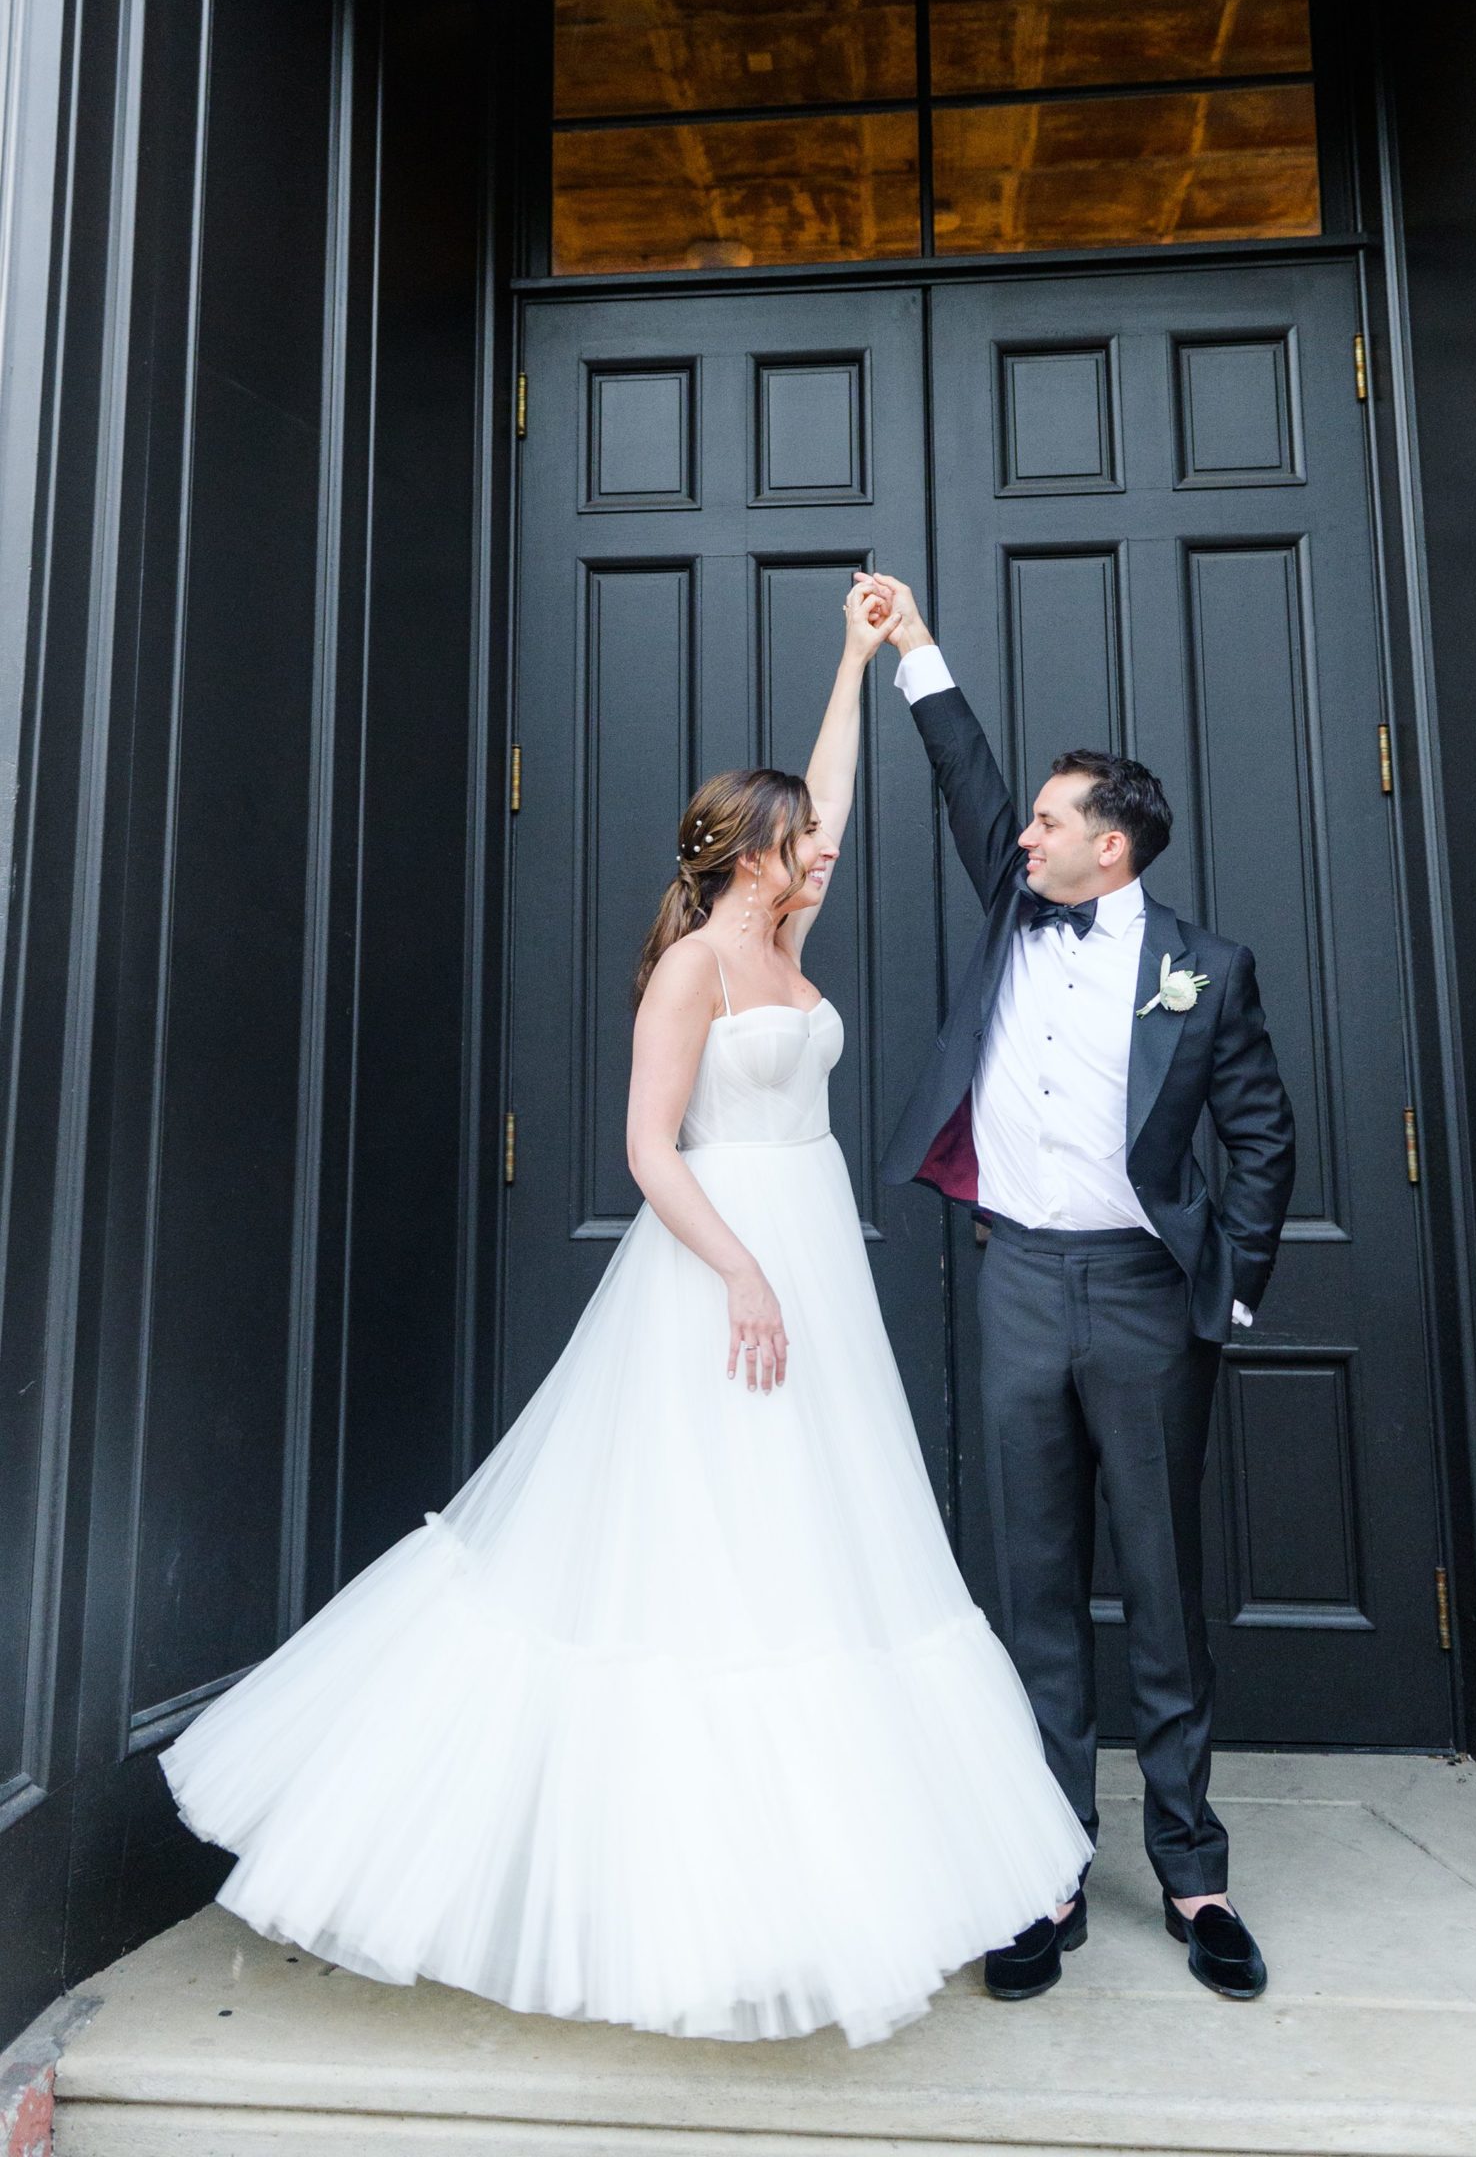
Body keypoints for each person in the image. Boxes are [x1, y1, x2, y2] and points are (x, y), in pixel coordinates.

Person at [159, 580, 1088, 2050]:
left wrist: (855, 660)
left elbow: (833, 784)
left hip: (811, 1269)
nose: (826, 853)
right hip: (726, 1269)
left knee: (827, 1550)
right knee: (700, 1559)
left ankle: (819, 1883)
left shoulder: (786, 935)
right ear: (750, 858)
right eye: (801, 844)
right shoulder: (699, 968)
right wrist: (740, 1270)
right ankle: (693, 1899)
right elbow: (651, 1153)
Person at [861, 569, 1296, 2005]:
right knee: (1033, 1590)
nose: (1024, 833)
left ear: (1106, 850)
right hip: (1021, 1288)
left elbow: (1261, 1134)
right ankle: (1042, 1871)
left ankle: (1192, 1868)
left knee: (1163, 1590)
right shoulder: (1014, 901)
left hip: (1145, 1296)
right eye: (1030, 820)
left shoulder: (1204, 969)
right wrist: (915, 646)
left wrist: (1224, 1292)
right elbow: (965, 772)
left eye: (1050, 822)